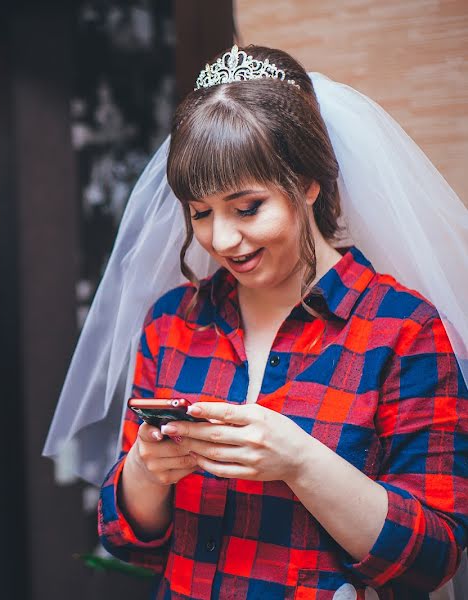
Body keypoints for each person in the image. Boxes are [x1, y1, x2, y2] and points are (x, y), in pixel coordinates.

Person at [44, 45, 468, 598]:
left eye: (246, 208)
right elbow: (131, 543)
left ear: (309, 184)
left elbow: (432, 559)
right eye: (200, 213)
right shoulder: (172, 323)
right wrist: (146, 470)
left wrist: (299, 462)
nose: (220, 240)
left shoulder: (402, 330)